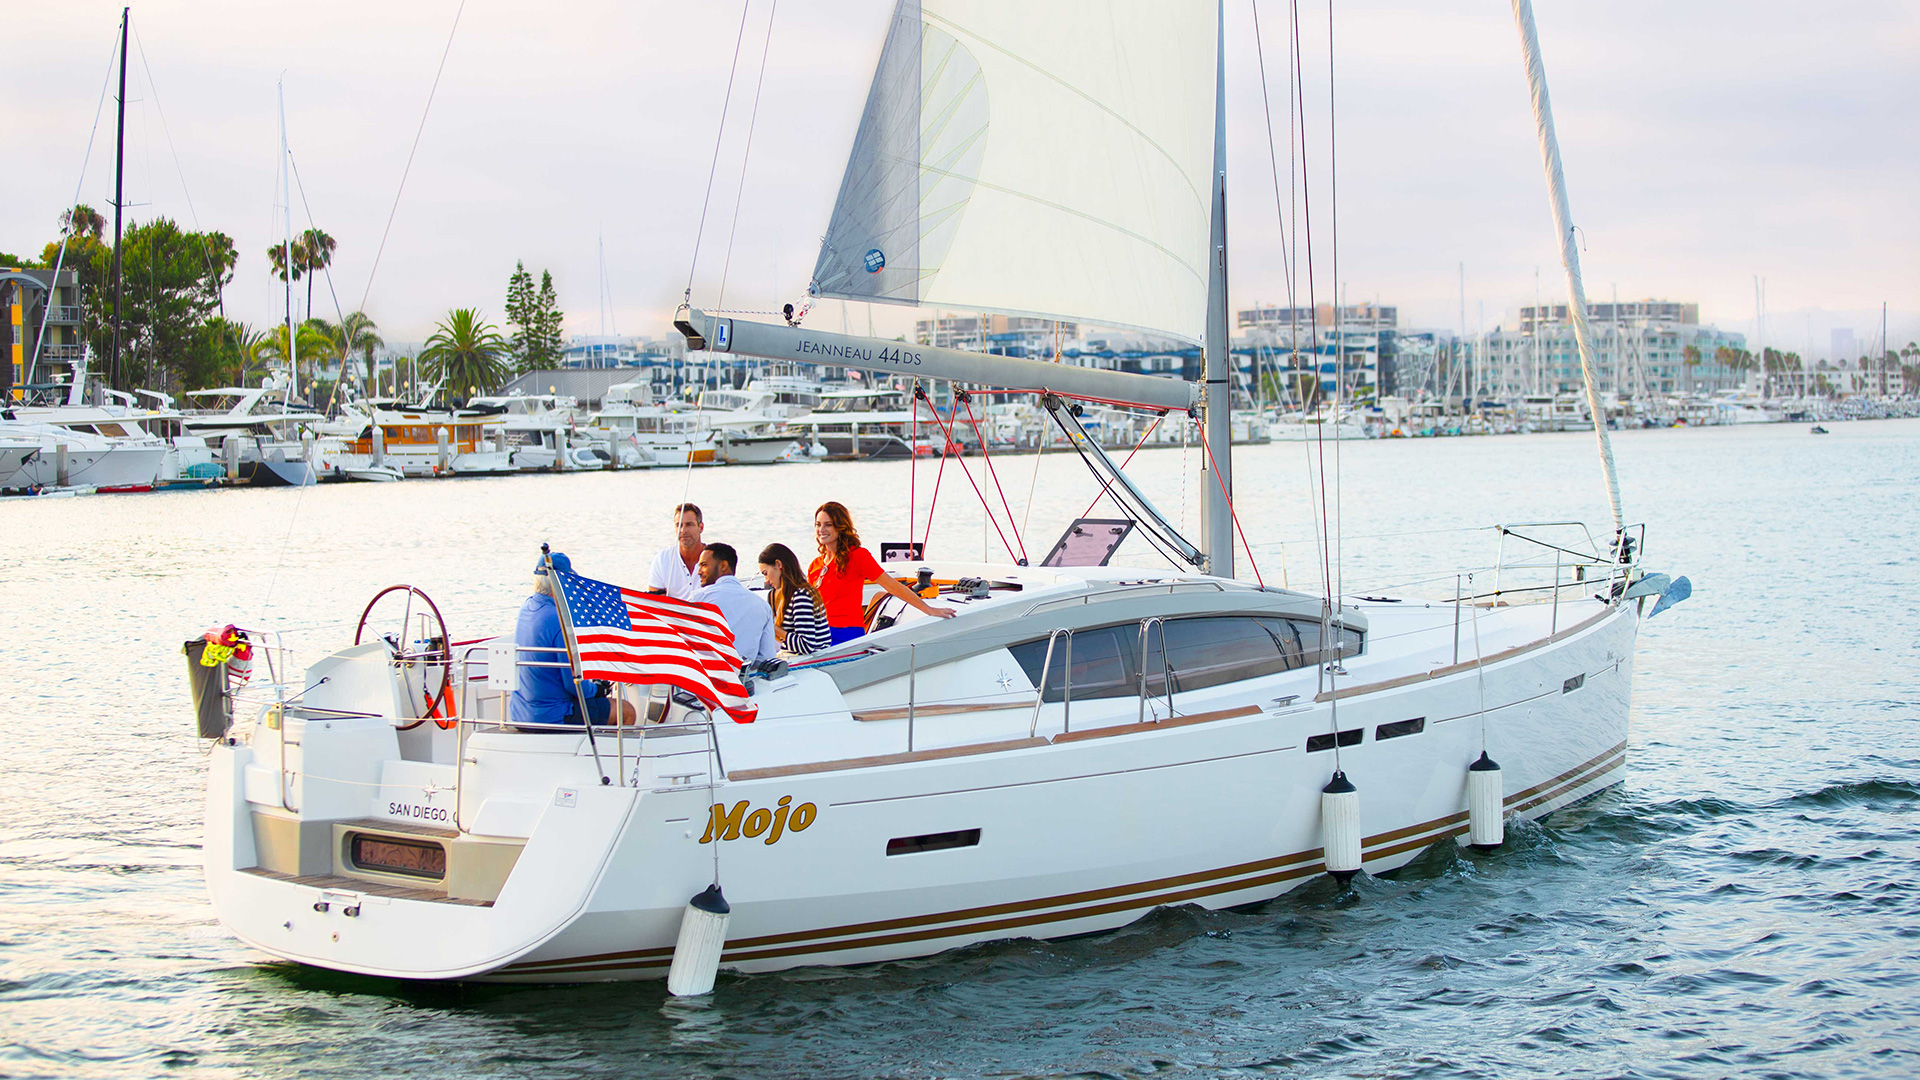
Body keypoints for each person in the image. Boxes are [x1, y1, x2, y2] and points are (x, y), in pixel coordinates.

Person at [510, 553, 637, 726]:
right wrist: (597, 689)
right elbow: (574, 684)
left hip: (521, 712)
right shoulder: (559, 620)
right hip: (552, 714)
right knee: (626, 711)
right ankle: (615, 753)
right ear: (560, 583)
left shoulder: (527, 607)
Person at [808, 501, 953, 645]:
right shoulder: (815, 565)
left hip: (845, 633)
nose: (821, 529)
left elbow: (892, 586)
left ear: (840, 527)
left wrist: (928, 609)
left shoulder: (857, 556)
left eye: (828, 524)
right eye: (818, 524)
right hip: (818, 632)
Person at [693, 542, 778, 663]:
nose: (699, 572)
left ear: (723, 565)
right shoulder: (762, 606)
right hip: (742, 678)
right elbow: (767, 658)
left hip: (706, 676)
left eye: (704, 565)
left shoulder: (698, 598)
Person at [759, 542, 831, 655]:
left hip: (808, 661)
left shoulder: (801, 596)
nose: (766, 580)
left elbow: (806, 645)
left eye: (766, 573)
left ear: (778, 565)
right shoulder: (792, 594)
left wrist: (771, 627)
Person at [646, 502, 705, 600]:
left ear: (701, 527)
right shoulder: (662, 559)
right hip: (673, 615)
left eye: (689, 525)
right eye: (679, 525)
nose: (683, 530)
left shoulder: (714, 559)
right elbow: (655, 604)